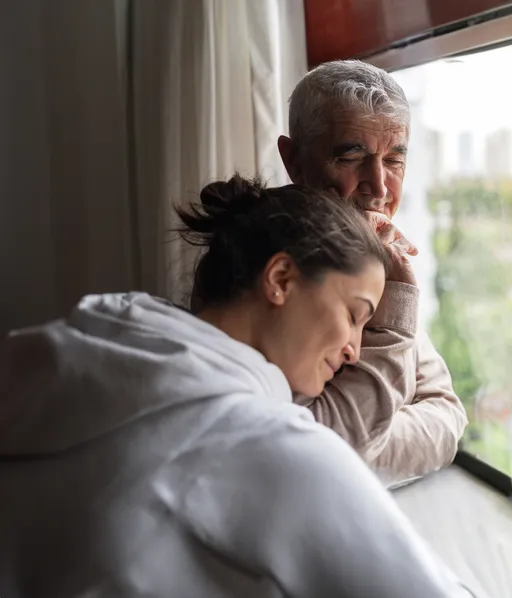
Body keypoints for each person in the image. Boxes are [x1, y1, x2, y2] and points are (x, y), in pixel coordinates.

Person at [0, 176, 473, 598]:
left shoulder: (76, 357)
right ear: (281, 279)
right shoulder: (266, 447)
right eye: (354, 316)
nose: (353, 349)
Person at [277, 59, 468, 483]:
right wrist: (346, 440)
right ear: (294, 161)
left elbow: (446, 416)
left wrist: (354, 438)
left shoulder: (375, 254)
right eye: (351, 155)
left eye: (394, 161)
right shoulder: (262, 265)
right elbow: (313, 453)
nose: (379, 187)